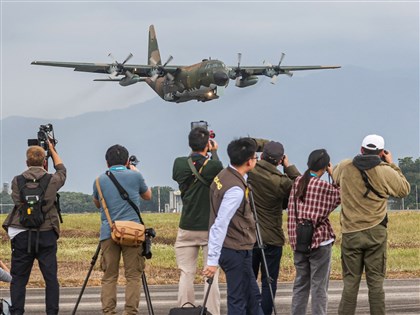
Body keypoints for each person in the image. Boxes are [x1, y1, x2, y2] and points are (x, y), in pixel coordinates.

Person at [333, 135, 410, 315]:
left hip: (351, 232)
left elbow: (335, 176)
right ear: (382, 153)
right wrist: (391, 164)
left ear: (361, 150)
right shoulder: (385, 171)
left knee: (350, 284)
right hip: (376, 231)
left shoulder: (345, 166)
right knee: (375, 284)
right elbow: (404, 189)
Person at [2, 141, 66, 315]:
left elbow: (18, 202)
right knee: (51, 279)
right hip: (47, 233)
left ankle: (17, 312)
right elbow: (62, 171)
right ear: (44, 161)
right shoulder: (52, 180)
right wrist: (52, 150)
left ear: (26, 162)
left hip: (22, 234)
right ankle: (52, 312)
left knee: (19, 279)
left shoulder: (17, 181)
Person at [203, 137, 264, 315]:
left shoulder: (223, 175)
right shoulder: (235, 190)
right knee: (238, 299)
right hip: (234, 249)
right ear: (248, 161)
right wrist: (212, 261)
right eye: (255, 158)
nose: (256, 161)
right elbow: (220, 224)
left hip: (235, 248)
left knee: (252, 296)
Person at [92, 144, 152, 315]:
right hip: (133, 232)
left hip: (109, 232)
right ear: (127, 161)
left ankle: (109, 312)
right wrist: (136, 172)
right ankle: (131, 312)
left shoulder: (99, 180)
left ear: (106, 162)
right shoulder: (135, 176)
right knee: (133, 276)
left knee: (109, 276)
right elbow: (147, 196)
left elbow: (97, 203)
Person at [172, 127, 223, 314]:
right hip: (209, 227)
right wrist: (214, 152)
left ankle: (185, 309)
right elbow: (220, 174)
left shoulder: (178, 163)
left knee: (186, 272)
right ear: (207, 145)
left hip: (187, 226)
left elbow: (188, 165)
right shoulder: (213, 165)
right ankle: (211, 312)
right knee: (211, 274)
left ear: (189, 144)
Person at [248, 141, 300, 315]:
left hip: (250, 235)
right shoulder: (282, 181)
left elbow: (247, 144)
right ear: (279, 161)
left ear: (261, 156)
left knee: (249, 280)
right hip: (272, 237)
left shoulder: (251, 170)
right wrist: (289, 166)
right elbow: (301, 186)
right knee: (269, 283)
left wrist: (265, 143)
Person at [287, 149, 341, 315]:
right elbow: (340, 195)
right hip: (319, 241)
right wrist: (334, 175)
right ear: (324, 167)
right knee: (319, 286)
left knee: (300, 284)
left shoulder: (297, 182)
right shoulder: (323, 186)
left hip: (299, 241)